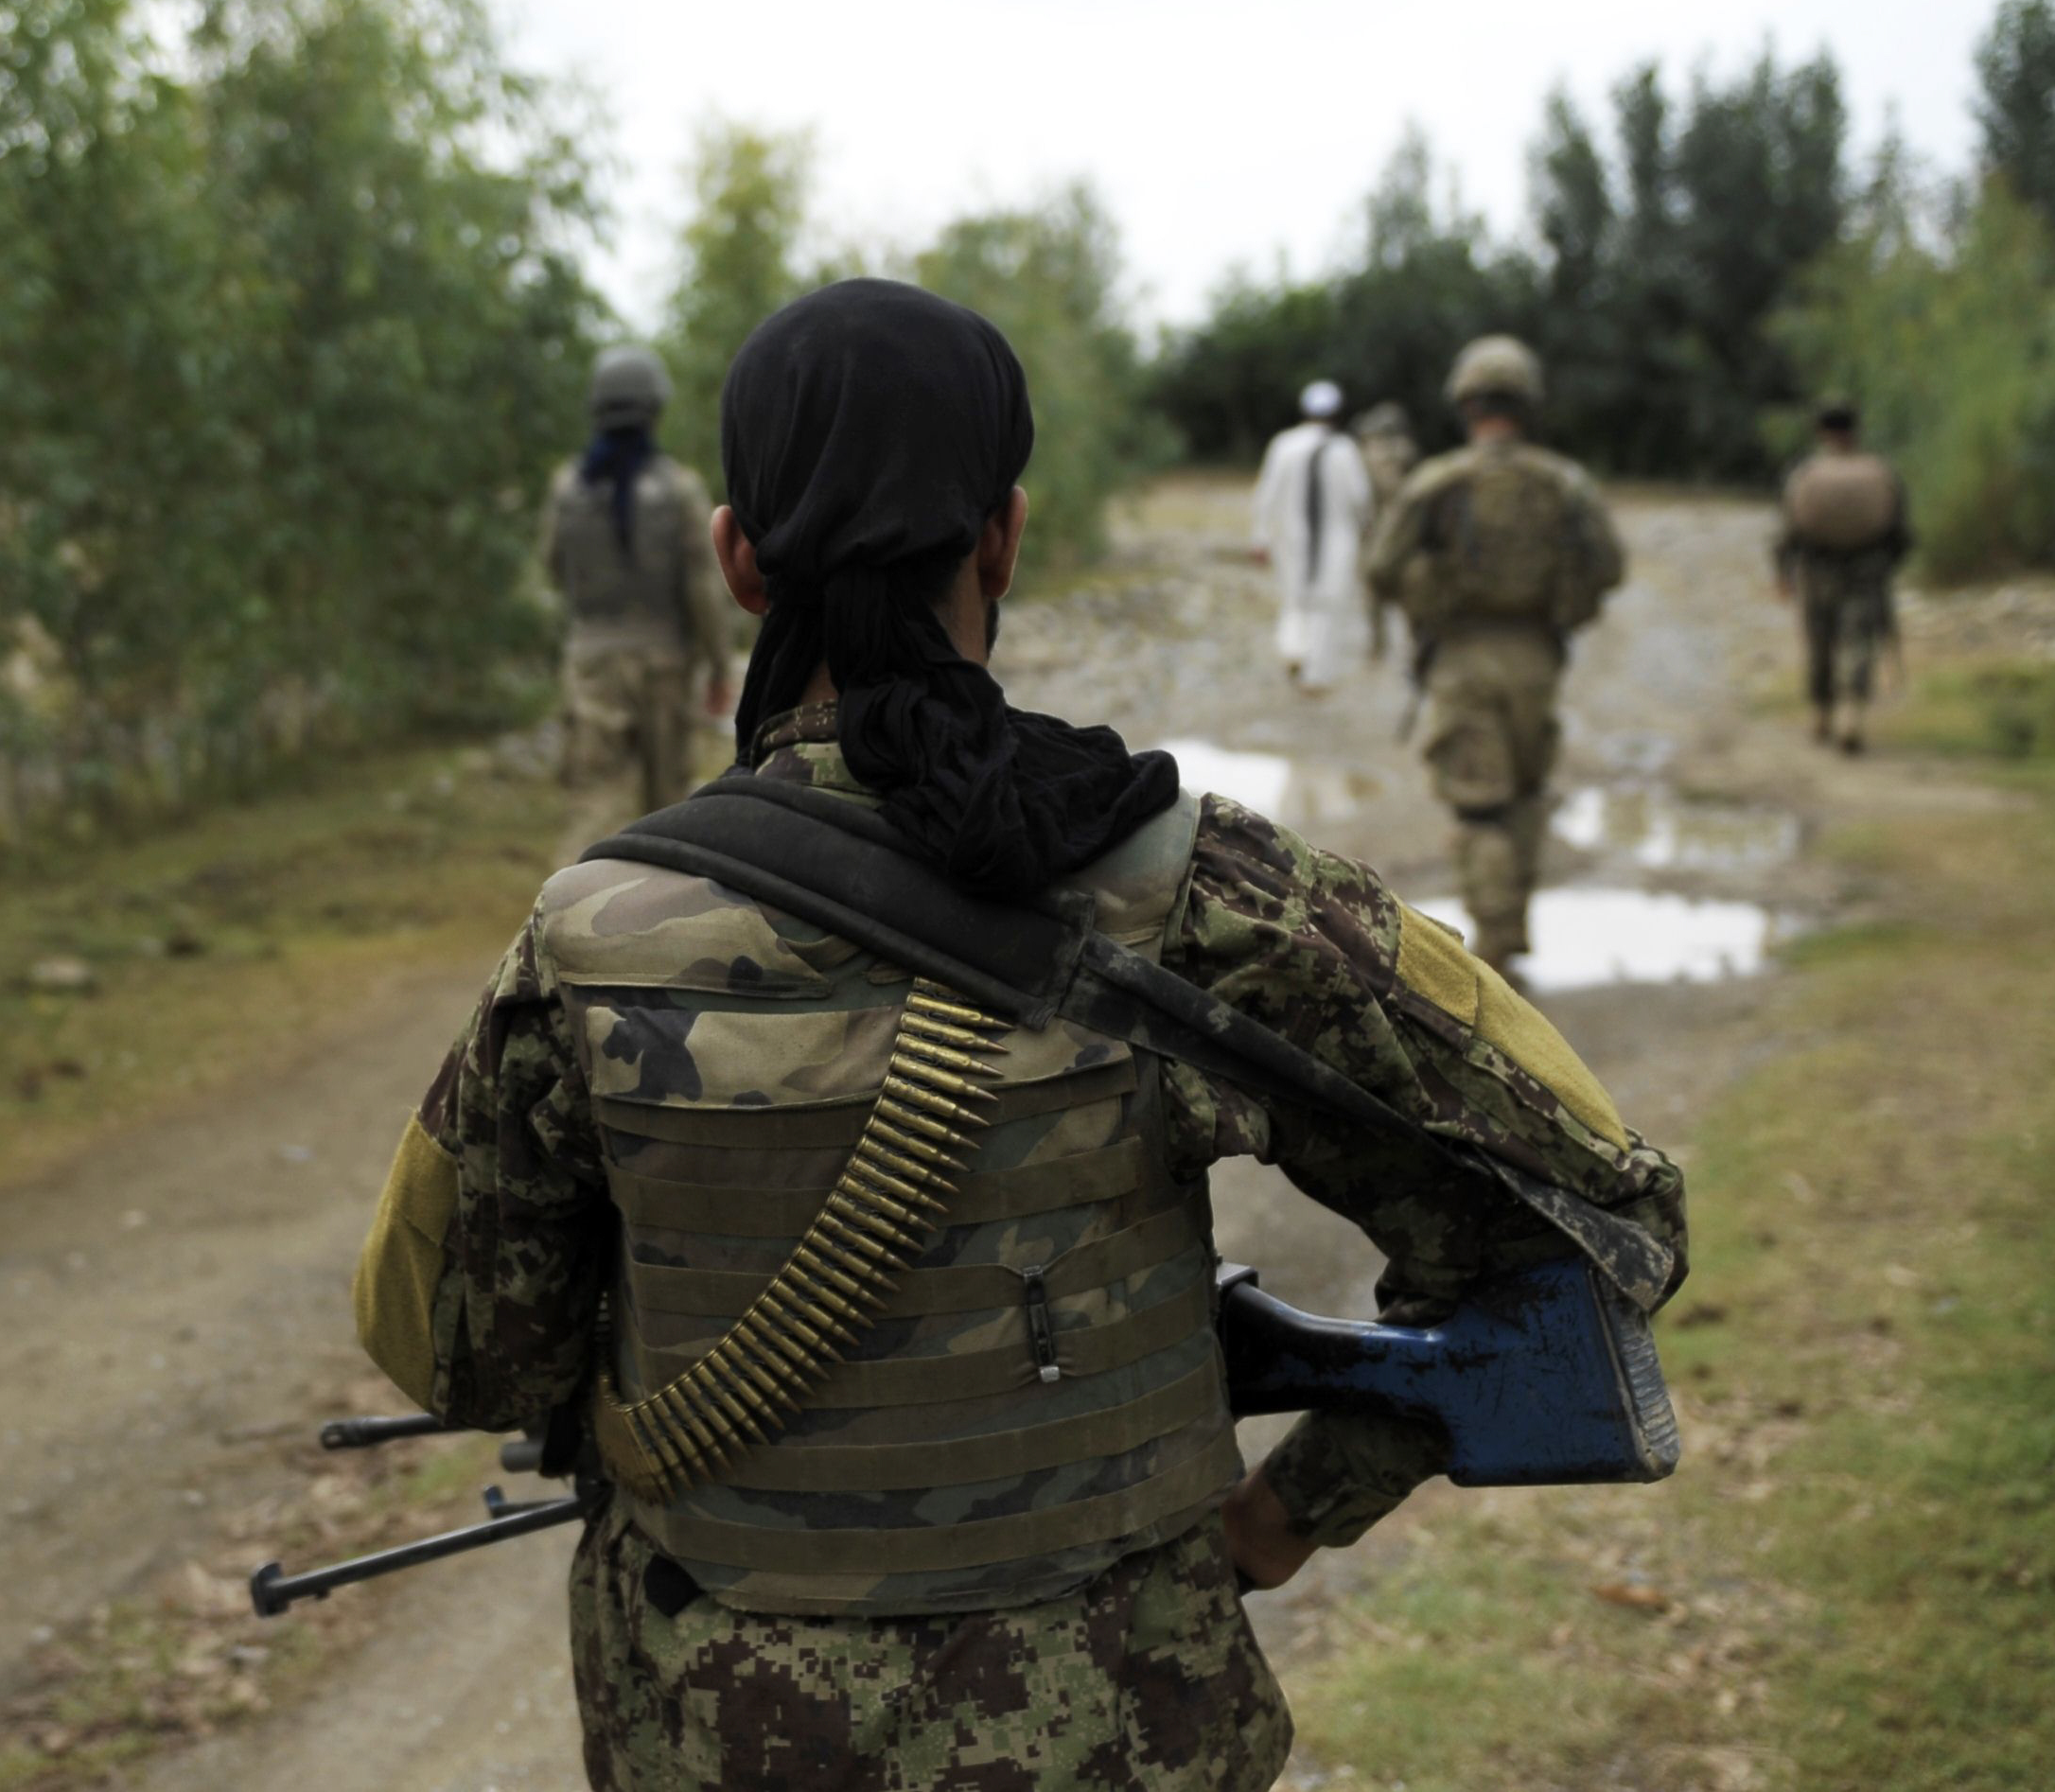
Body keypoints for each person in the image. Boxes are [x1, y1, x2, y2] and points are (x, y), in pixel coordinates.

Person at [351, 281, 1687, 1791]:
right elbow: (1598, 1217)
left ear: (735, 559)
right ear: (1004, 536)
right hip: (1121, 1735)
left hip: (714, 1737)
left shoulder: (586, 933)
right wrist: (1290, 1511)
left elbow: (457, 1349)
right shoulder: (1193, 891)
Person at [1361, 337, 1623, 975]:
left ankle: (1495, 942)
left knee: (1478, 803)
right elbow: (1610, 565)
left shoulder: (1436, 484)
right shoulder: (1564, 483)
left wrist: (1425, 589)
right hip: (1538, 654)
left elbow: (1379, 567)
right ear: (1528, 404)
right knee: (1525, 795)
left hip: (1460, 657)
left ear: (1465, 403)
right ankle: (1514, 925)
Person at [543, 344, 731, 815]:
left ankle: (575, 889)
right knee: (668, 810)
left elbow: (551, 566)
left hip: (592, 661)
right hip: (665, 664)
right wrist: (720, 666)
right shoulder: (678, 489)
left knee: (595, 806)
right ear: (654, 408)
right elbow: (702, 588)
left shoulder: (568, 488)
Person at [1774, 400, 1909, 754]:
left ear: (1822, 433)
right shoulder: (1880, 472)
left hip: (1817, 569)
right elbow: (1899, 531)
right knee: (1859, 640)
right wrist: (1887, 565)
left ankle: (1821, 713)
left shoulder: (1805, 474)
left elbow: (1789, 530)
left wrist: (1783, 571)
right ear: (1856, 432)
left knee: (1820, 642)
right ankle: (1852, 716)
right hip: (1867, 567)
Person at [1249, 379, 1374, 694]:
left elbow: (1266, 494)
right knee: (1327, 607)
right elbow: (1361, 498)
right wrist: (1369, 531)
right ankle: (1315, 675)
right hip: (1336, 540)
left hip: (1292, 538)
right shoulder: (1345, 449)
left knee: (1294, 599)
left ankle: (1294, 650)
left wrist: (1260, 538)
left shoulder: (1284, 445)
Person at [1350, 400, 1420, 658]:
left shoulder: (1368, 453)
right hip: (1399, 525)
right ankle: (1410, 639)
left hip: (1378, 525)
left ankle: (1377, 643)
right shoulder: (1405, 450)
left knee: (1374, 586)